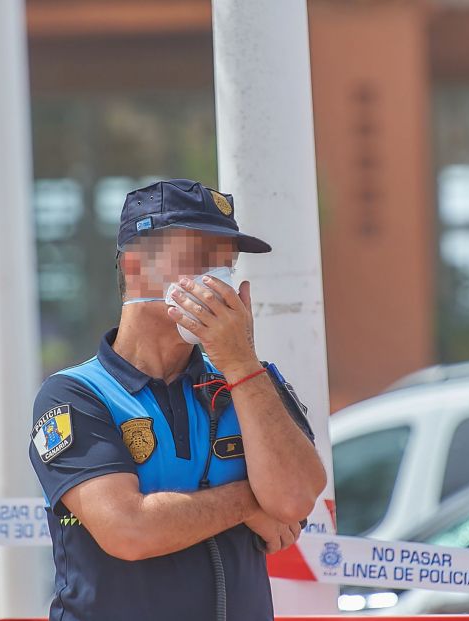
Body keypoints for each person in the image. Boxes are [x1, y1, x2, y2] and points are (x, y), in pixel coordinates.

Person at [29, 178, 327, 621]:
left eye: (226, 263)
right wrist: (252, 501)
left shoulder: (246, 381)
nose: (219, 279)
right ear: (134, 267)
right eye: (200, 259)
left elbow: (297, 498)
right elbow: (130, 531)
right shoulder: (75, 395)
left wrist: (241, 363)